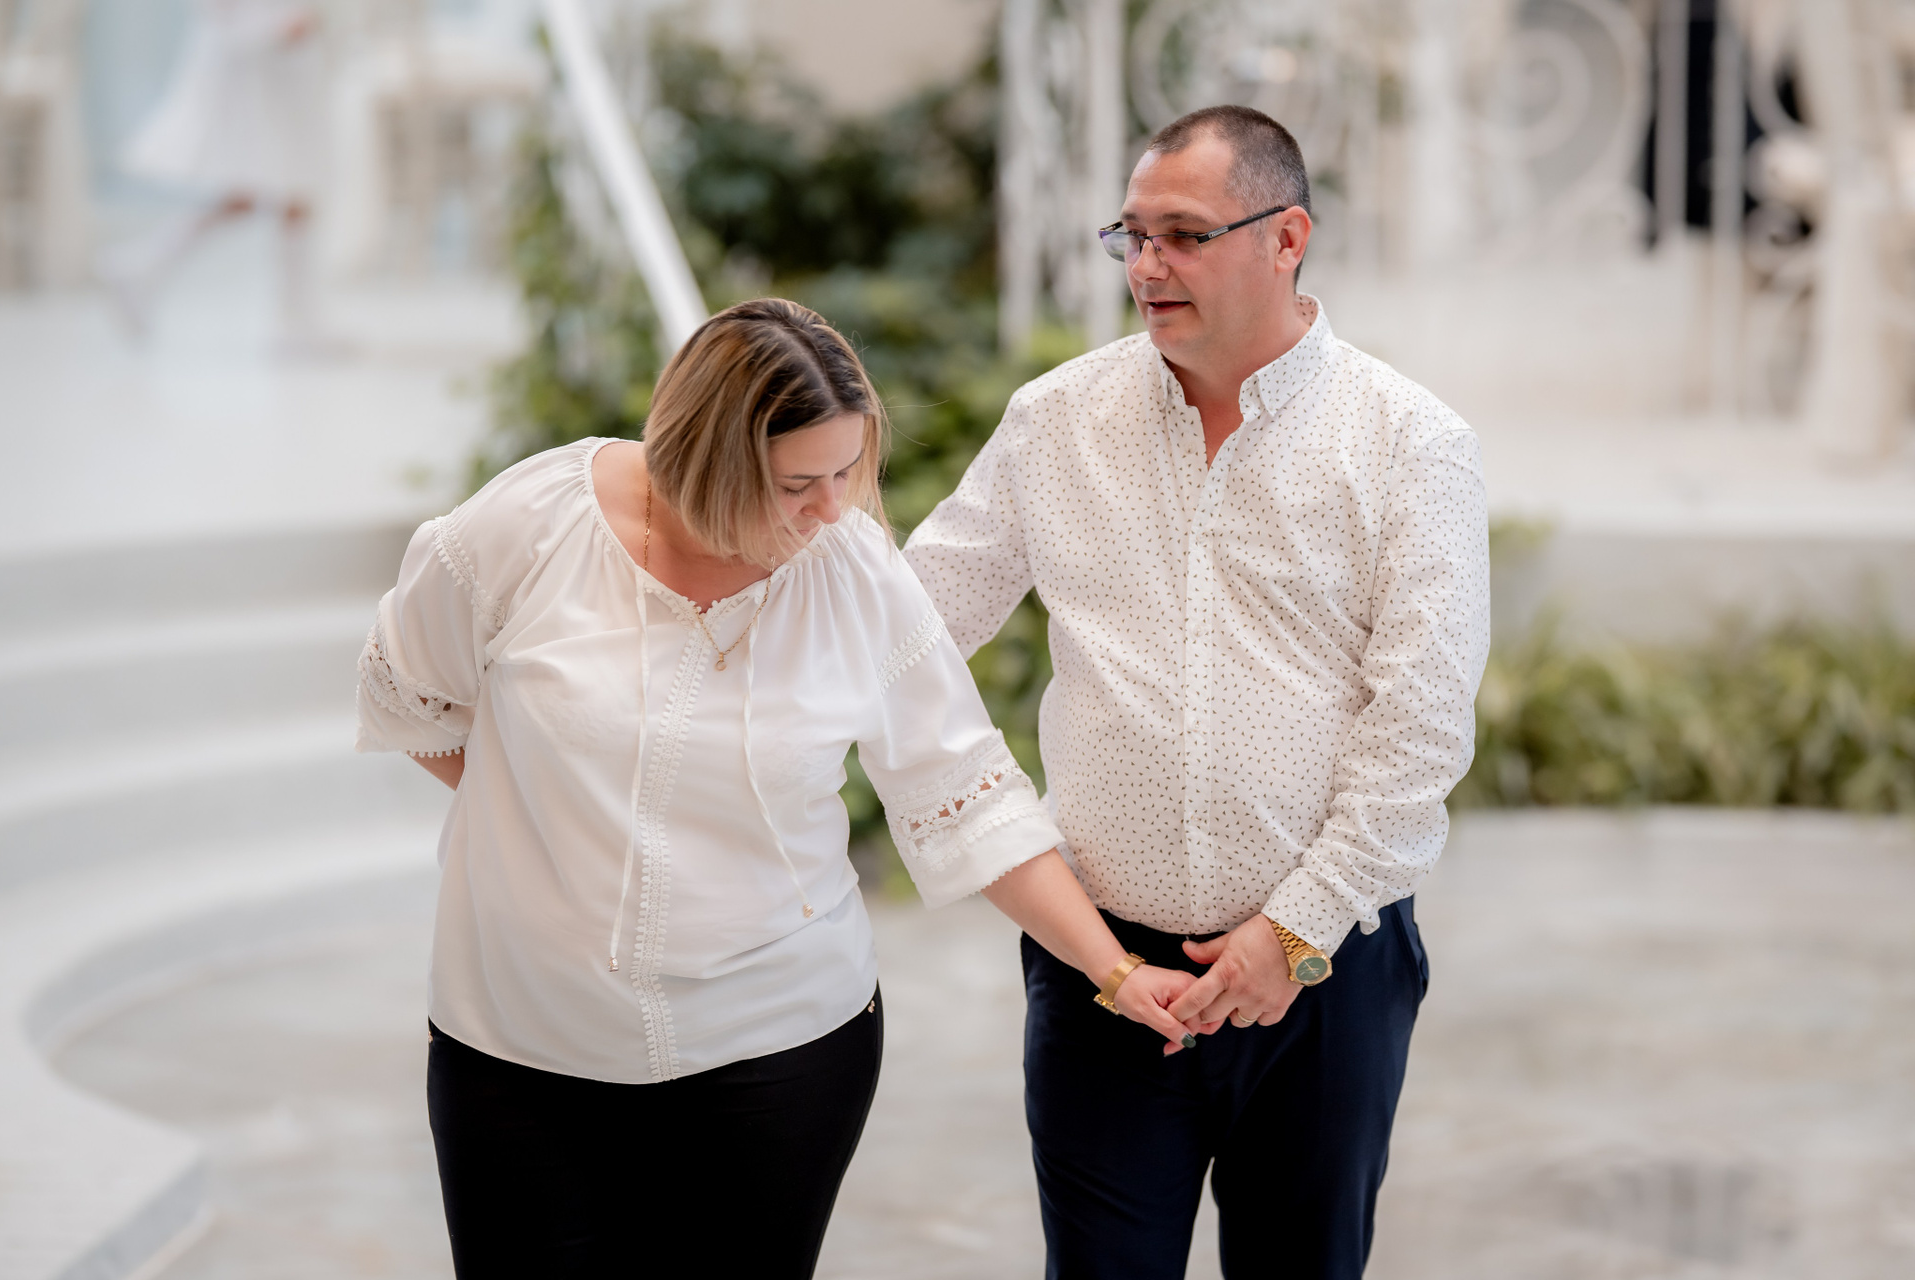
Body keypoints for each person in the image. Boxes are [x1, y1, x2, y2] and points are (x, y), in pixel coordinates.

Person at [354, 299, 1202, 1279]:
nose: (832, 509)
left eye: (847, 471)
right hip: (518, 1045)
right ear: (704, 459)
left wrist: (1115, 970)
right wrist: (543, 822)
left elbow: (967, 790)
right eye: (799, 483)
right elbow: (408, 693)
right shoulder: (528, 527)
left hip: (779, 1047)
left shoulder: (853, 572)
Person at [904, 105, 1491, 1278]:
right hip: (1105, 981)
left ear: (1288, 238)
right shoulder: (1055, 422)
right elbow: (903, 635)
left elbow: (1420, 732)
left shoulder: (1409, 442)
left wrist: (1292, 932)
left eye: (1182, 234)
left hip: (1324, 976)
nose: (1147, 265)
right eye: (1131, 235)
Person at [106, 0, 325, 345]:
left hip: (272, 65)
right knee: (281, 189)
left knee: (277, 192)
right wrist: (273, 25)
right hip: (251, 67)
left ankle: (142, 266)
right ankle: (295, 323)